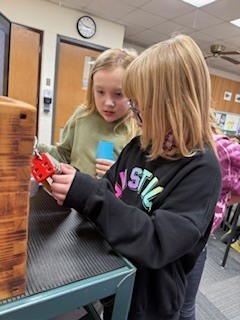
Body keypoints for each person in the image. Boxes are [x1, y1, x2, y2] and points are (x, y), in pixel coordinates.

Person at [51, 34, 222, 320]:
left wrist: (90, 195)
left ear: (173, 106)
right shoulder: (138, 146)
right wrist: (78, 184)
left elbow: (157, 242)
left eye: (141, 108)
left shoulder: (202, 169)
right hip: (116, 279)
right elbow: (107, 191)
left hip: (150, 305)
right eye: (134, 106)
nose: (134, 116)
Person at [37, 48, 140, 178]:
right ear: (92, 88)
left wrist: (119, 173)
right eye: (100, 92)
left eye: (118, 94)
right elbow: (63, 155)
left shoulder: (138, 129)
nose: (108, 103)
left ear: (134, 92)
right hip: (73, 196)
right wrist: (35, 147)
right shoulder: (82, 116)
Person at [179, 112, 240, 320]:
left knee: (184, 307)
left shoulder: (217, 147)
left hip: (194, 243)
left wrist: (222, 199)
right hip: (171, 237)